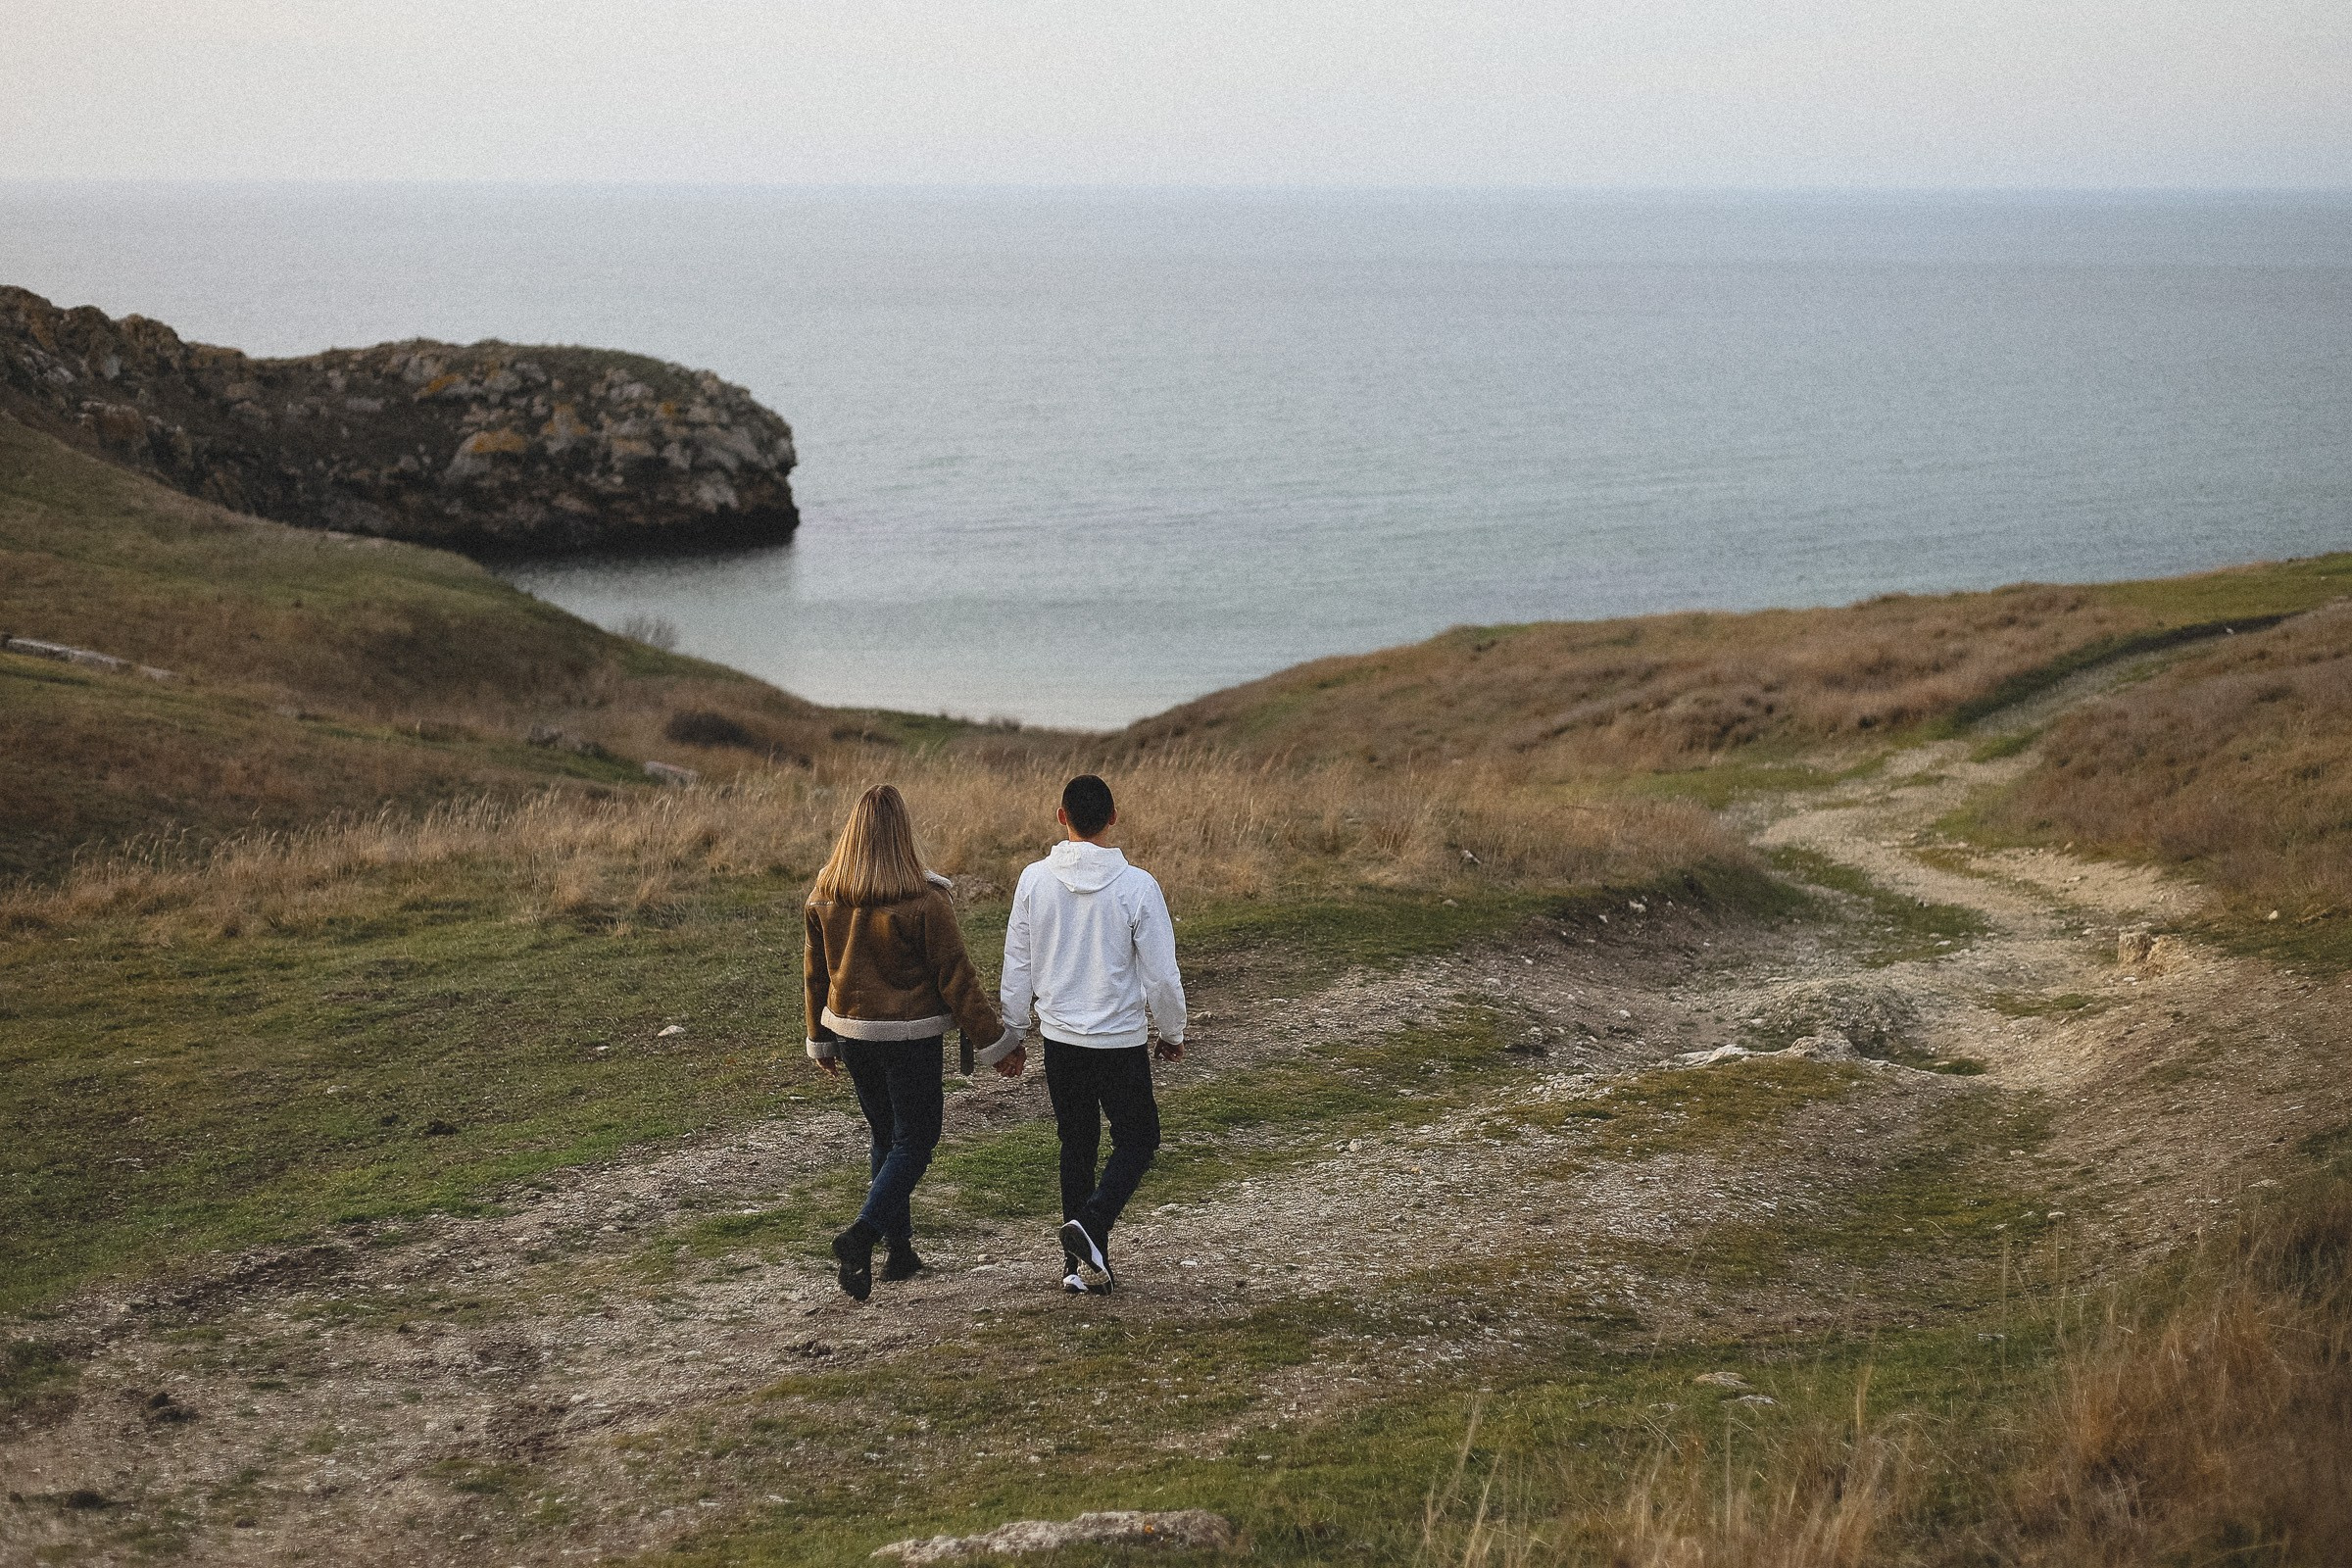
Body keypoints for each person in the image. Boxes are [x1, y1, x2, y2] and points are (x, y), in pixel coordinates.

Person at [805, 784, 1025, 1300]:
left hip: (853, 1034)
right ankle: (861, 1237)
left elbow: (816, 973)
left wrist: (819, 1037)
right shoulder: (924, 899)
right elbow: (956, 978)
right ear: (902, 832)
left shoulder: (825, 893)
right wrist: (997, 1043)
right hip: (908, 1039)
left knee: (887, 1137)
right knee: (916, 1141)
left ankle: (898, 1254)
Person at [1000, 773, 1187, 1293]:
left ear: (1061, 817)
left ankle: (1075, 1268)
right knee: (1139, 1138)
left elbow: (1018, 963)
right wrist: (1172, 1030)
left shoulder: (1034, 880)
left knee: (1075, 1144)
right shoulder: (1138, 887)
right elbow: (1161, 973)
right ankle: (1094, 1224)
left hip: (1060, 1040)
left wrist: (1013, 1031)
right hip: (1121, 1041)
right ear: (1113, 818)